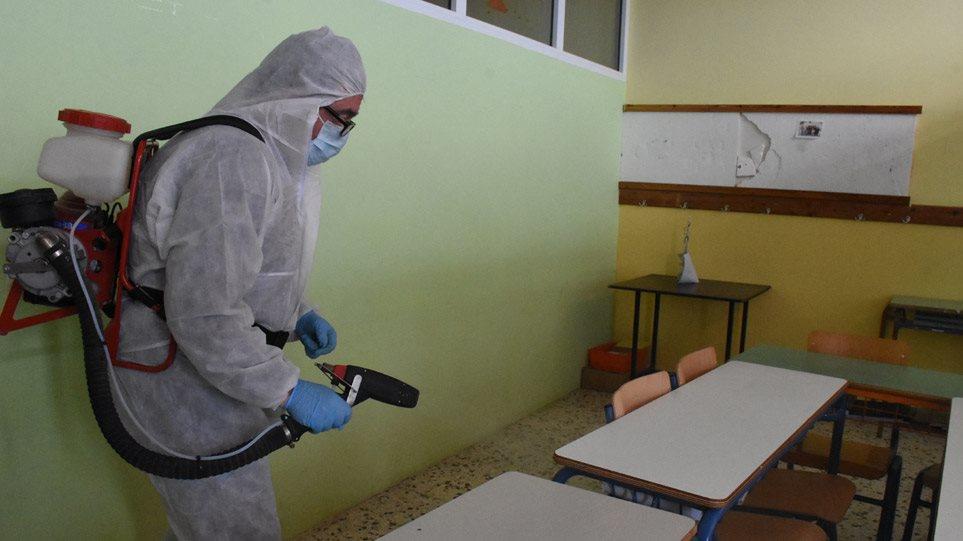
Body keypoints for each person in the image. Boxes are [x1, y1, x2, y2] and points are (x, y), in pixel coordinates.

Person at [113, 27, 366, 539]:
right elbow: (205, 313)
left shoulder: (263, 157)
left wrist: (298, 313)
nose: (342, 134)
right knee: (234, 530)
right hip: (179, 378)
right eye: (341, 118)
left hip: (208, 374)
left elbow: (244, 266)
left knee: (206, 527)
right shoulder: (232, 157)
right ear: (302, 99)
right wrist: (288, 389)